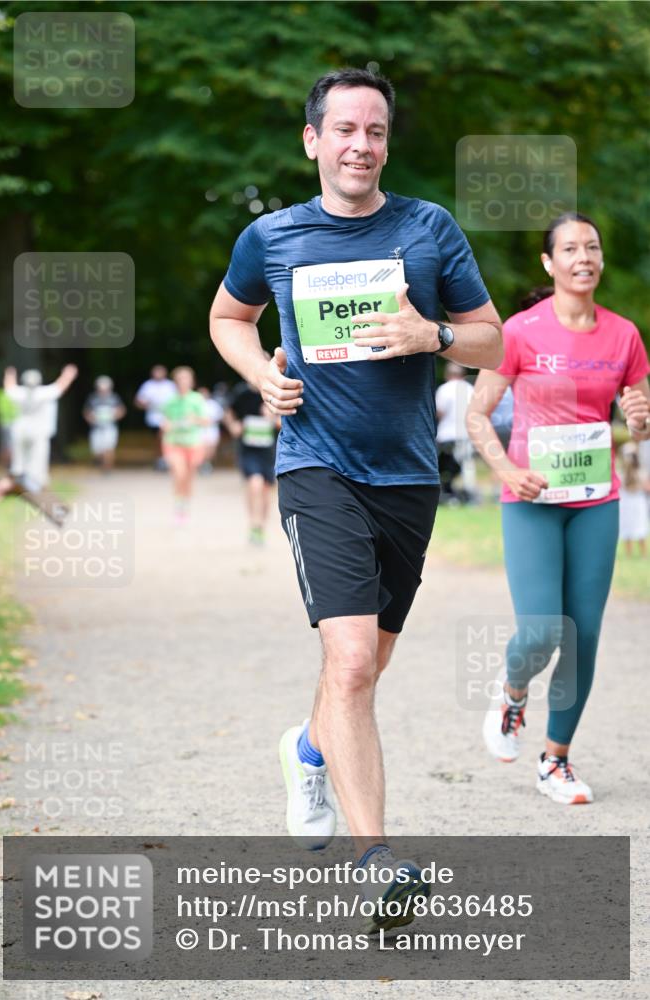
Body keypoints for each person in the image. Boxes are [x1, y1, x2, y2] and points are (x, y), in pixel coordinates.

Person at [210, 67, 502, 929]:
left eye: (373, 131)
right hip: (314, 468)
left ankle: (306, 751)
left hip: (408, 476)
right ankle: (377, 862)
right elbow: (230, 318)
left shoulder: (427, 228)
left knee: (365, 667)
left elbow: (490, 341)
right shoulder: (271, 235)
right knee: (346, 664)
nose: (359, 146)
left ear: (386, 142)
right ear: (312, 140)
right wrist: (262, 372)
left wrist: (434, 334)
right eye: (343, 129)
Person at [467, 212, 650, 805]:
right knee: (544, 629)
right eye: (570, 248)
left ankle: (555, 760)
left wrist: (641, 422)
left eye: (592, 246)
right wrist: (508, 471)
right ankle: (513, 690)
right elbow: (477, 414)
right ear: (549, 263)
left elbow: (636, 418)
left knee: (585, 634)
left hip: (596, 500)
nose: (584, 256)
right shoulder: (518, 332)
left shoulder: (623, 335)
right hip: (532, 499)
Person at [0, 365, 78, 522]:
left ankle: (18, 480)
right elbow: (61, 386)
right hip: (37, 434)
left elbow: (9, 386)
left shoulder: (19, 393)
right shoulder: (43, 393)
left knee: (19, 469)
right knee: (36, 474)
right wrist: (69, 374)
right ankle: (48, 503)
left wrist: (10, 373)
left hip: (20, 432)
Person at [224, 379, 279, 545]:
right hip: (248, 449)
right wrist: (233, 425)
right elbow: (228, 412)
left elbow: (287, 421)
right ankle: (253, 523)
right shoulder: (242, 392)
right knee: (254, 483)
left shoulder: (275, 391)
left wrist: (274, 418)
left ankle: (260, 526)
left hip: (270, 450)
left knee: (265, 489)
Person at [160, 366, 211, 522]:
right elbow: (164, 422)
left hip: (193, 443)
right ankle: (178, 504)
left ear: (191, 381)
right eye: (180, 379)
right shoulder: (170, 401)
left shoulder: (197, 399)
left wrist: (194, 419)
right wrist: (166, 425)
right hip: (173, 442)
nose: (183, 382)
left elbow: (206, 421)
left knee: (188, 476)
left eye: (186, 379)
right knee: (179, 472)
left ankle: (185, 502)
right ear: (175, 382)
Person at [435, 362, 475, 503]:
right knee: (467, 465)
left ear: (448, 374)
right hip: (467, 433)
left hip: (447, 434)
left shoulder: (444, 389)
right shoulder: (470, 389)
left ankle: (445, 493)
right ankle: (470, 495)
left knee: (444, 467)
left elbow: (439, 412)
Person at [134, 364, 177, 470]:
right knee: (159, 439)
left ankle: (166, 459)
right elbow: (138, 401)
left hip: (169, 417)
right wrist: (145, 404)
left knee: (165, 438)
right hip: (153, 418)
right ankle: (160, 459)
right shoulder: (148, 385)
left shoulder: (170, 385)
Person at [83, 376, 126, 473]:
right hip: (96, 428)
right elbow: (86, 411)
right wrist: (90, 419)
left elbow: (121, 410)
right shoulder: (92, 398)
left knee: (109, 448)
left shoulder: (114, 398)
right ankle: (101, 462)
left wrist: (115, 416)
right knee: (97, 451)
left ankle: (107, 468)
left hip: (110, 427)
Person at [618, 442, 648, 557]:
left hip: (636, 500)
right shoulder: (623, 472)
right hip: (628, 501)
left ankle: (642, 553)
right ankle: (630, 553)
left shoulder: (640, 471)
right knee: (628, 525)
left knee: (639, 525)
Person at [196, 386, 224, 474]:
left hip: (211, 429)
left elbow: (220, 416)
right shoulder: (195, 404)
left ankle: (207, 463)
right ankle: (201, 464)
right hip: (199, 430)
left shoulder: (213, 404)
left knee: (211, 448)